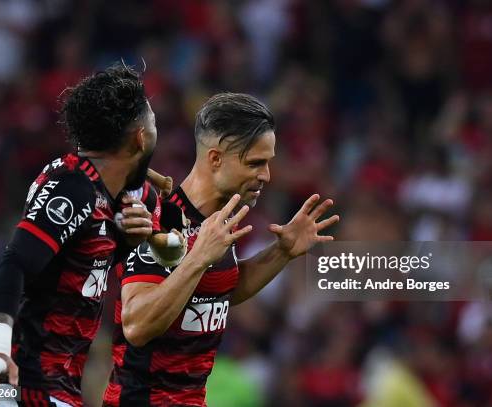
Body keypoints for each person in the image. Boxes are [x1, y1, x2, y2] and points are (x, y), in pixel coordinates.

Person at [103, 93, 339, 406]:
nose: (266, 175)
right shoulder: (160, 218)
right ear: (215, 159)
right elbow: (137, 324)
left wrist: (281, 252)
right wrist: (198, 258)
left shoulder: (215, 221)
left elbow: (218, 290)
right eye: (255, 163)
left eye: (268, 162)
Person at [0, 62, 162, 407]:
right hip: (24, 386)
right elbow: (15, 263)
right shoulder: (73, 187)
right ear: (140, 138)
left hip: (59, 388)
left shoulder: (106, 195)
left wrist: (124, 244)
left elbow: (73, 267)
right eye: (154, 122)